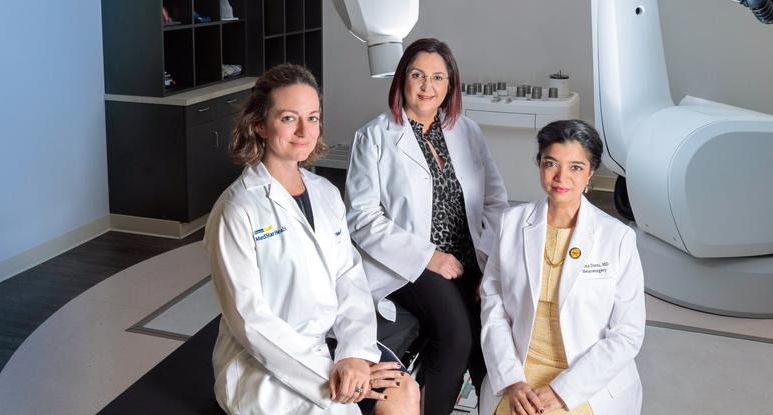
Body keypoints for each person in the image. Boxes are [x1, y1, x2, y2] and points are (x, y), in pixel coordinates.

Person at [204, 64, 419, 415]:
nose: (305, 130)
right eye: (289, 118)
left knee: (404, 392)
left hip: (329, 347)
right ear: (259, 124)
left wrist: (355, 355)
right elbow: (250, 321)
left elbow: (347, 276)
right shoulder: (237, 209)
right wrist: (333, 374)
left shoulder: (325, 193)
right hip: (265, 367)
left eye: (313, 117)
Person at [345, 38, 509, 414]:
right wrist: (430, 256)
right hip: (410, 262)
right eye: (417, 75)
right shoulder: (374, 137)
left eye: (438, 77)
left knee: (493, 334)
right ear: (402, 79)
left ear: (450, 85)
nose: (426, 86)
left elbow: (496, 201)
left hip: (470, 255)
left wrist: (492, 261)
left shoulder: (467, 132)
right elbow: (362, 218)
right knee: (456, 337)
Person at [479, 120, 646, 415]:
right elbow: (493, 307)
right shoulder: (511, 223)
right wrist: (512, 381)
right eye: (551, 163)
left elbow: (627, 334)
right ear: (539, 164)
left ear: (591, 173)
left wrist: (563, 390)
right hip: (521, 372)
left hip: (585, 378)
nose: (561, 177)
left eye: (576, 167)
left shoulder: (617, 238)